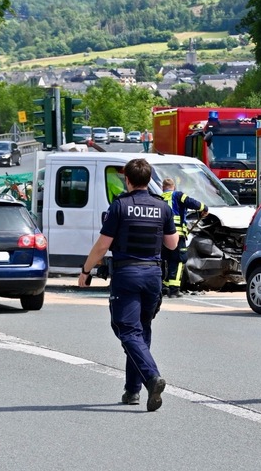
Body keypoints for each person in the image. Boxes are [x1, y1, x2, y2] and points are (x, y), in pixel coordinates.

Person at [78, 158, 178, 412]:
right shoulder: (161, 207)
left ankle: (151, 377)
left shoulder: (120, 206)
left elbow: (103, 245)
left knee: (127, 331)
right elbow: (172, 244)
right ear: (149, 179)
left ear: (128, 180)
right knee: (141, 330)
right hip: (153, 276)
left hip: (127, 275)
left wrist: (86, 270)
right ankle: (132, 390)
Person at [161, 178, 208, 298]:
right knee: (179, 260)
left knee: (165, 259)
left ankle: (164, 286)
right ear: (174, 187)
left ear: (163, 188)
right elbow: (192, 202)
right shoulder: (178, 195)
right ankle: (174, 289)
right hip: (177, 234)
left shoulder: (160, 197)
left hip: (162, 235)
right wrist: (204, 208)